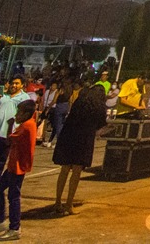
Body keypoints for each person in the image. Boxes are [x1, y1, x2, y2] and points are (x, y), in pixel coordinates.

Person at [0, 99, 37, 241]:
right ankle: (1, 221)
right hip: (14, 165)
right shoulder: (27, 124)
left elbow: (8, 140)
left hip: (18, 167)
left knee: (13, 197)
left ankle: (15, 228)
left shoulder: (26, 126)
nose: (17, 114)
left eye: (20, 112)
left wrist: (10, 124)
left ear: (26, 114)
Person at [53, 83, 106, 216]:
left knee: (64, 169)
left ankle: (58, 201)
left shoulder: (80, 101)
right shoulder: (99, 107)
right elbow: (100, 126)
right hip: (84, 138)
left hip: (68, 135)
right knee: (76, 171)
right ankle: (69, 204)